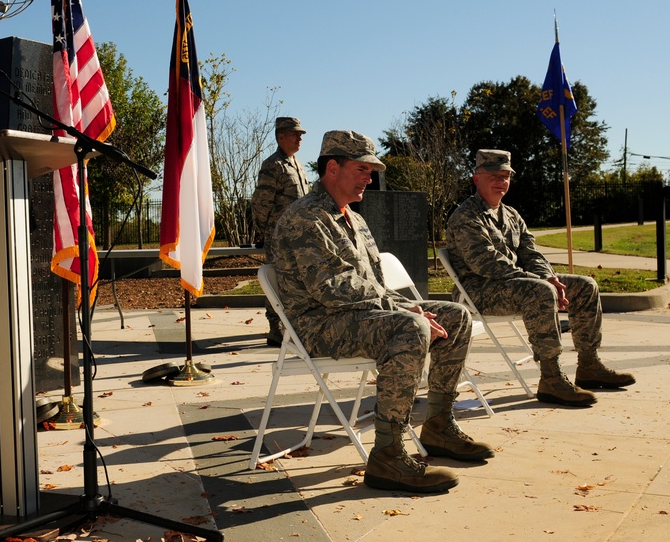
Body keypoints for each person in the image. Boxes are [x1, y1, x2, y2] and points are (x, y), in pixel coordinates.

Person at [273, 130, 493, 493]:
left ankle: (438, 426)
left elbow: (372, 283)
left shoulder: (354, 219)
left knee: (456, 316)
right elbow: (332, 288)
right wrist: (407, 311)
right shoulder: (305, 218)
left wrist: (407, 305)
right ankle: (388, 457)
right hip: (318, 323)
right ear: (332, 167)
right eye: (361, 169)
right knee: (409, 329)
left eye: (370, 170)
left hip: (356, 314)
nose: (368, 177)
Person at [445, 149, 634, 408]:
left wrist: (549, 277)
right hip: (479, 290)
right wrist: (544, 283)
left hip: (516, 283)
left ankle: (589, 365)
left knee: (585, 286)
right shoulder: (465, 217)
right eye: (494, 175)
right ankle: (551, 379)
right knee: (539, 291)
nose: (501, 181)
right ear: (477, 179)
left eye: (506, 175)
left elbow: (531, 252)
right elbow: (487, 264)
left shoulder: (511, 214)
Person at [251, 116, 310, 346]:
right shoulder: (273, 165)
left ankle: (292, 325)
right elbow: (261, 202)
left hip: (299, 237)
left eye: (301, 134)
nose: (299, 138)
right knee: (278, 281)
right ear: (280, 136)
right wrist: (262, 231)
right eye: (295, 134)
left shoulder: (297, 165)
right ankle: (275, 327)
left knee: (296, 283)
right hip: (279, 237)